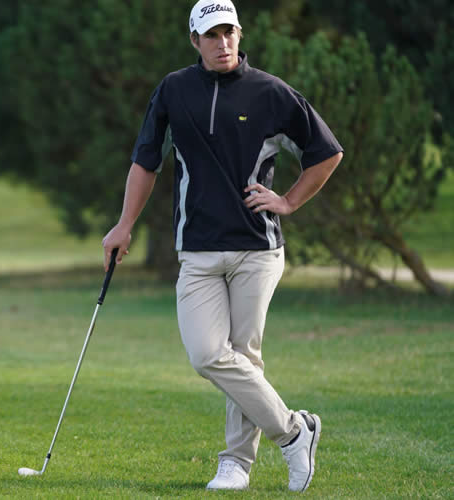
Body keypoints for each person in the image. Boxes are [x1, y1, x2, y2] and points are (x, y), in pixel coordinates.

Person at [101, 0, 343, 492]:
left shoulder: (271, 92)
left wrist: (290, 200)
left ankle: (236, 464)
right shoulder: (174, 89)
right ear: (195, 40)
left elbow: (326, 152)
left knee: (244, 354)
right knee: (208, 353)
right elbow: (146, 160)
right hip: (197, 250)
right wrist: (124, 225)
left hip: (258, 248)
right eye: (211, 35)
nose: (222, 42)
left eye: (229, 32)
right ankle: (295, 431)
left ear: (239, 33)